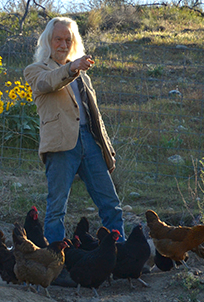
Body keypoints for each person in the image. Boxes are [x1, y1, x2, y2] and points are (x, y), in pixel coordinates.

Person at [24, 17, 125, 245]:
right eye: (58, 39)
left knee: (110, 203)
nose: (63, 44)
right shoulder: (36, 71)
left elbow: (94, 116)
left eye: (67, 40)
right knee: (57, 207)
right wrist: (71, 68)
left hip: (90, 142)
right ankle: (54, 264)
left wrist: (106, 148)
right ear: (48, 41)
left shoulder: (84, 76)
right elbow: (47, 84)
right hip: (60, 144)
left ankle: (119, 256)